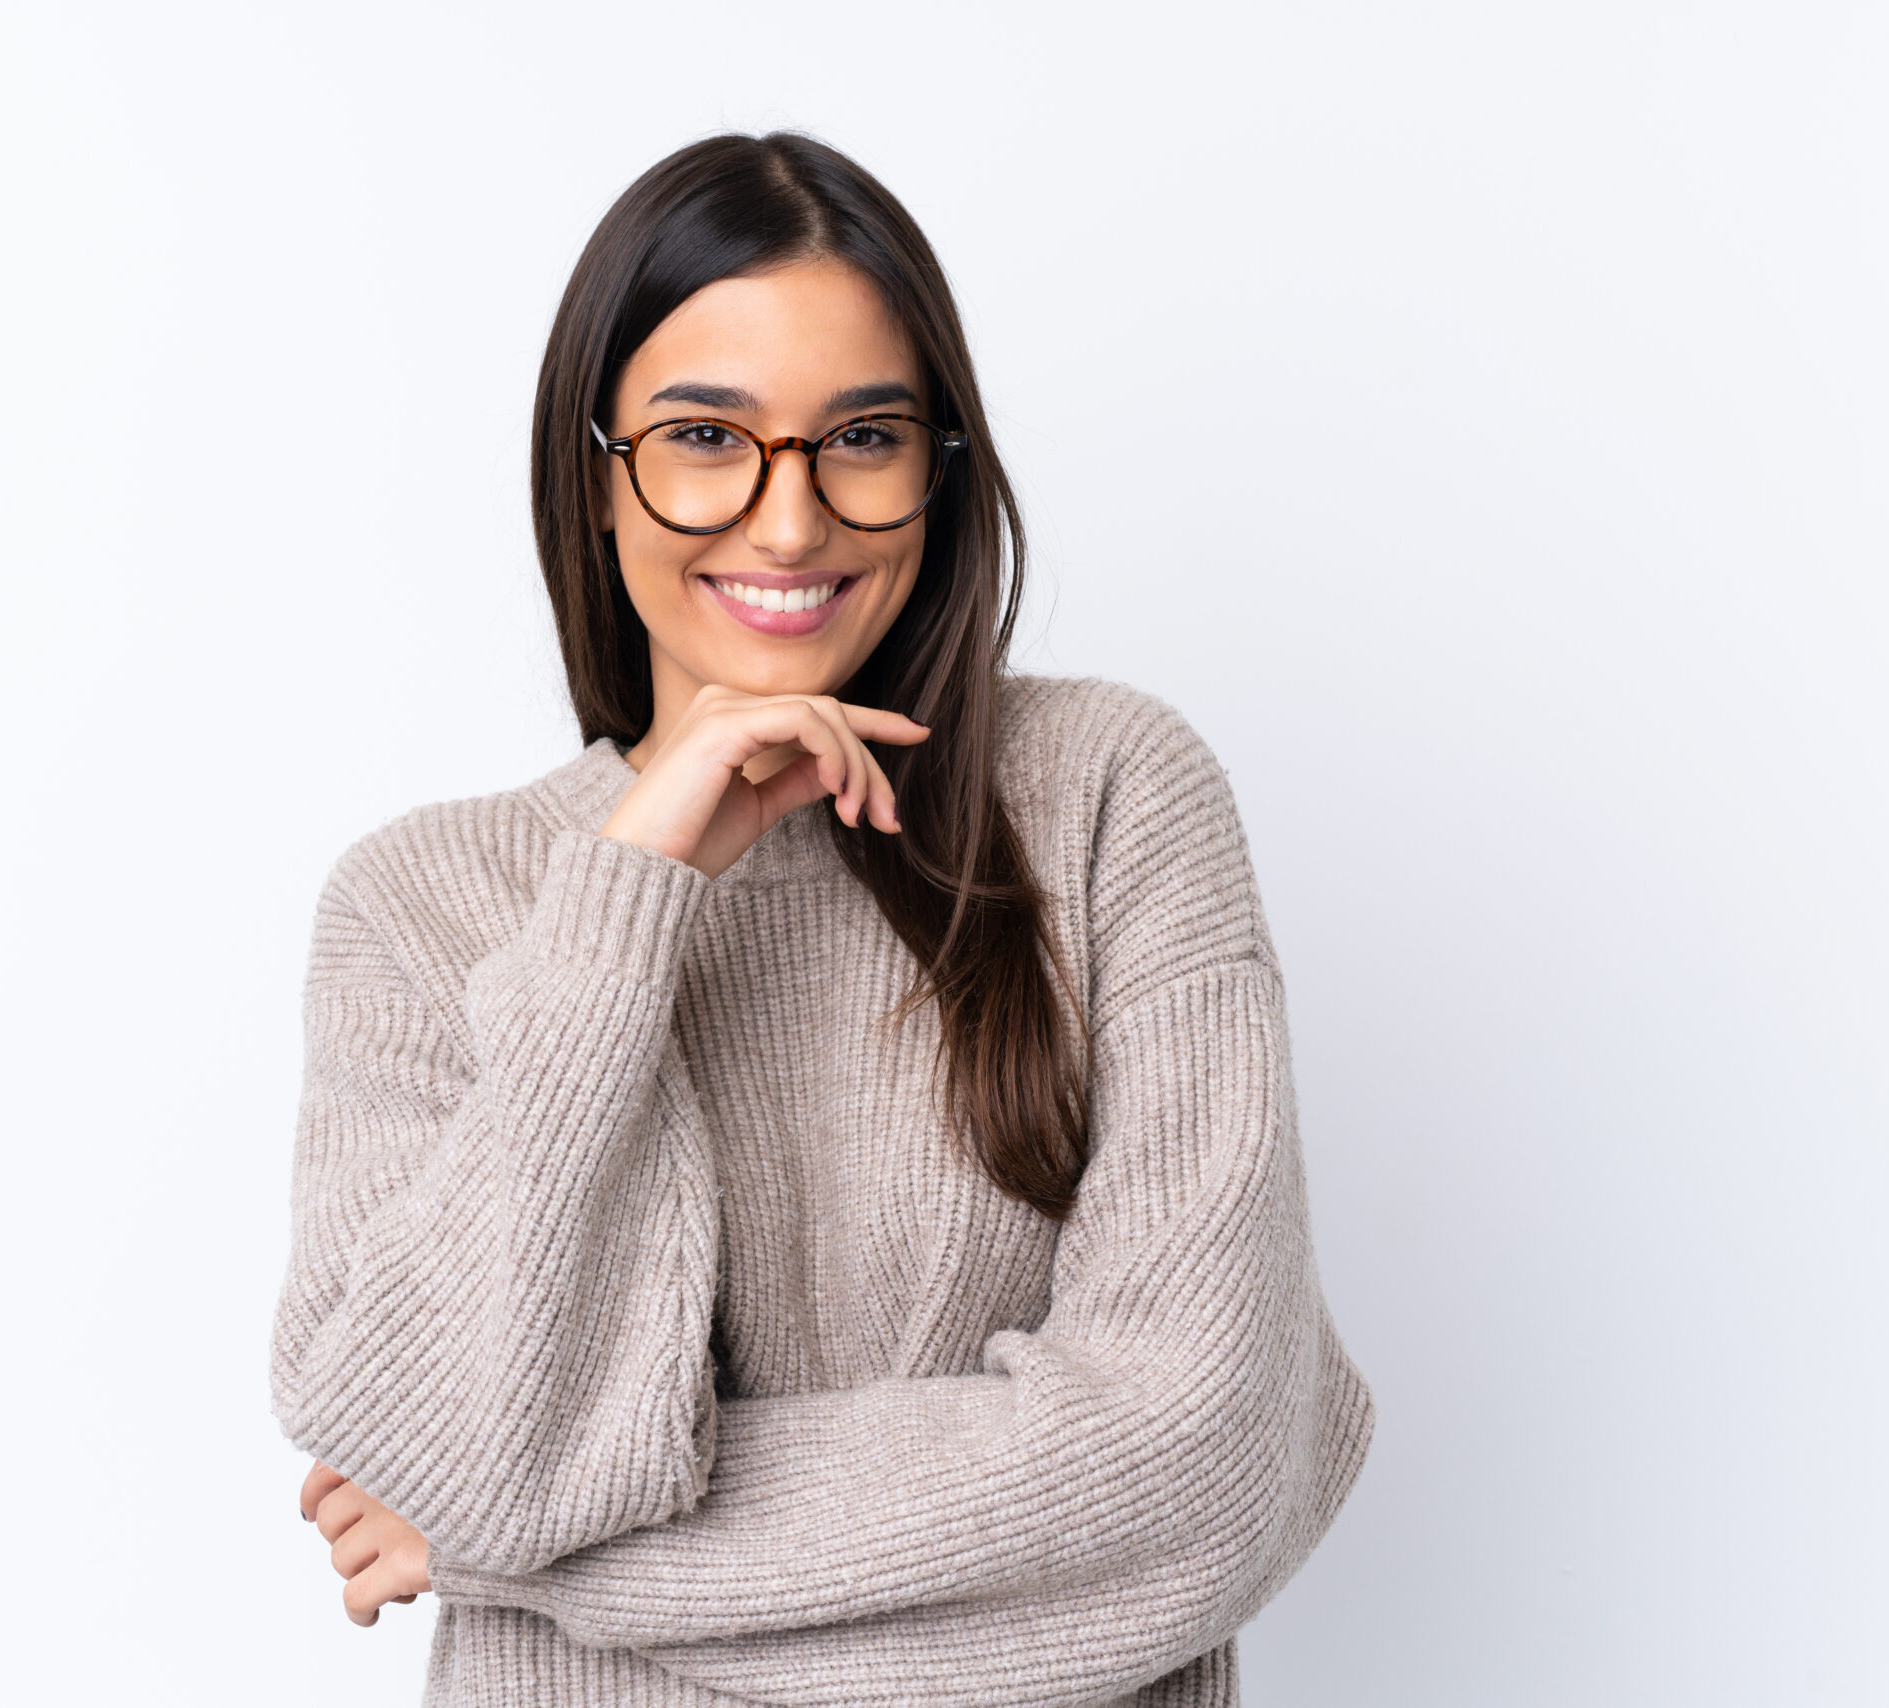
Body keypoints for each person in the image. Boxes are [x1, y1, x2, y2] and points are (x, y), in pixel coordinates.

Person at [271, 131, 1373, 1707]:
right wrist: (627, 892)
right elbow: (442, 1427)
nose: (789, 526)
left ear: (942, 467)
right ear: (596, 474)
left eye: (862, 435)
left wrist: (518, 1548)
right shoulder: (425, 906)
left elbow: (1195, 1461)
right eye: (705, 436)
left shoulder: (1114, 796)